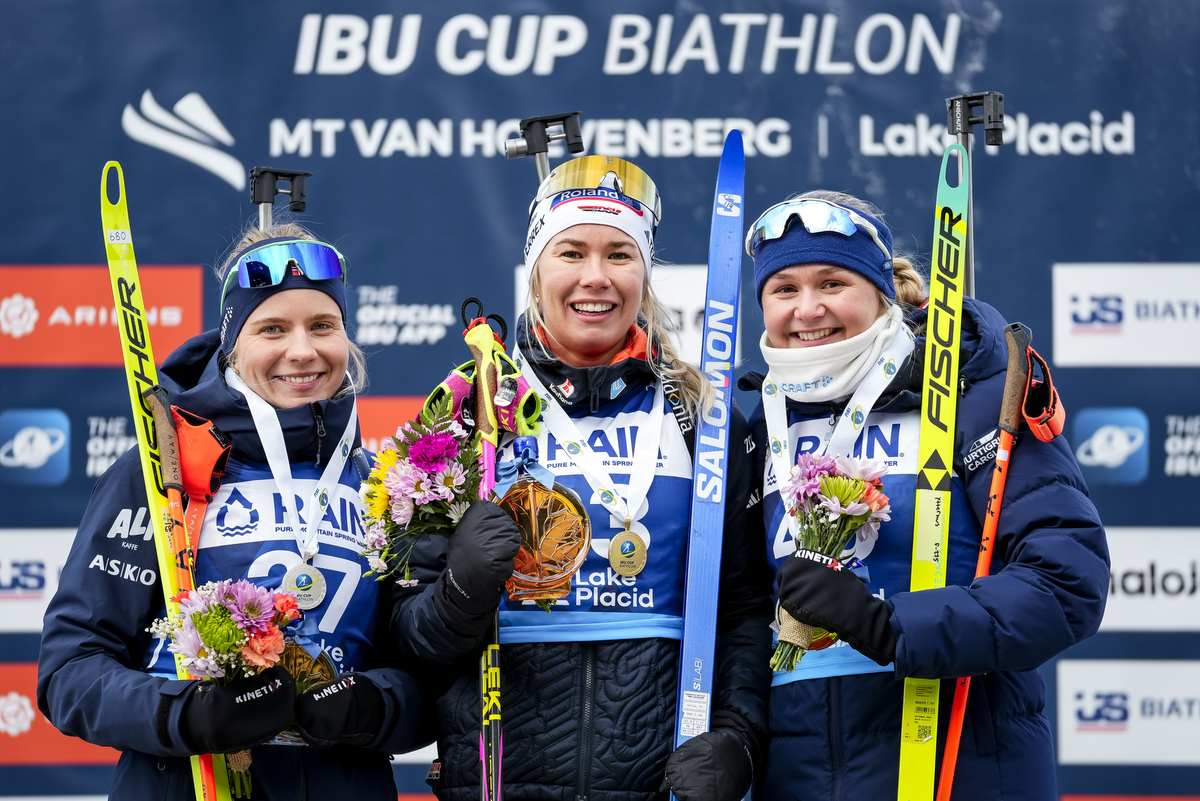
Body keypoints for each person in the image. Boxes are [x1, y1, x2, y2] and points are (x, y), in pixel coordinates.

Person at [387, 156, 775, 801]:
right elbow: (405, 636)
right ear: (536, 269)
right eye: (571, 252)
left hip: (663, 781)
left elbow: (744, 608)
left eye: (620, 255)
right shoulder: (465, 412)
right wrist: (458, 594)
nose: (596, 277)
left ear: (644, 274)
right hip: (499, 779)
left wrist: (739, 735)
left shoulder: (702, 416)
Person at [38, 225, 433, 799]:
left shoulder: (381, 487)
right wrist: (186, 714)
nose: (303, 350)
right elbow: (71, 670)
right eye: (272, 328)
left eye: (323, 325)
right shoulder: (163, 471)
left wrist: (373, 706)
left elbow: (430, 683)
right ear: (231, 344)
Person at [738, 191, 1109, 800]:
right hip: (803, 776)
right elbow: (742, 612)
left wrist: (892, 627)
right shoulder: (764, 425)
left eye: (832, 283)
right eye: (784, 289)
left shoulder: (971, 394)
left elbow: (1067, 583)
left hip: (963, 763)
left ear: (880, 292)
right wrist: (734, 736)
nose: (808, 309)